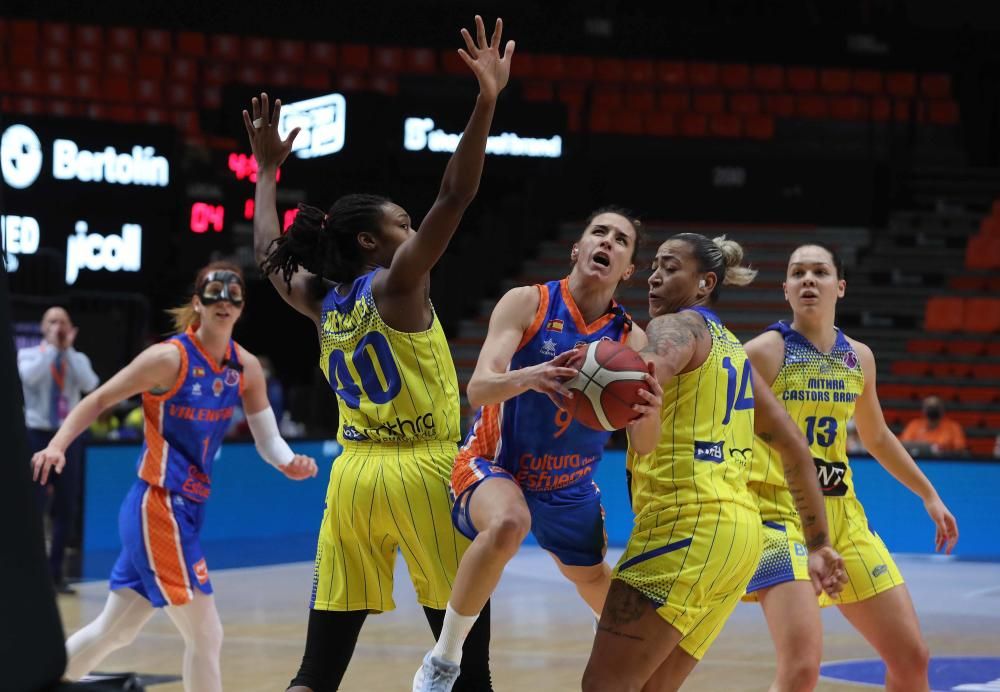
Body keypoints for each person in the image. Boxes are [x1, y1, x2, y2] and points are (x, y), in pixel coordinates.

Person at [244, 16, 513, 692]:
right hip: (424, 471)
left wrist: (267, 173)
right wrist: (486, 101)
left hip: (353, 476)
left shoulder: (320, 300)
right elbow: (456, 194)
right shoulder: (398, 286)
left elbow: (264, 254)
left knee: (318, 667)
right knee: (465, 668)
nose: (413, 227)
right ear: (370, 243)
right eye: (400, 222)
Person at [31, 262, 318, 689]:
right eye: (214, 293)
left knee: (118, 630)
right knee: (207, 633)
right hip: (158, 505)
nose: (224, 301)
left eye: (233, 294)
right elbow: (99, 399)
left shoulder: (246, 368)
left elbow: (267, 437)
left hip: (187, 508)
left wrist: (287, 461)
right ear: (197, 303)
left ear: (241, 307)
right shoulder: (169, 358)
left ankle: (36, 681)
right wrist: (58, 444)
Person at [581, 234, 845, 692]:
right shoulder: (733, 352)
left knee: (604, 686)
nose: (656, 276)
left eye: (670, 267)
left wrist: (588, 380)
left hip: (684, 525)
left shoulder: (676, 326)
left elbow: (640, 376)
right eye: (654, 267)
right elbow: (795, 447)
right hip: (738, 541)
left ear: (704, 283)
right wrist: (818, 543)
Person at [414, 207, 655, 690]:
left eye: (620, 240)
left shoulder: (631, 341)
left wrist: (649, 410)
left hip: (568, 488)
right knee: (510, 521)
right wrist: (532, 377)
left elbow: (644, 447)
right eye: (598, 233)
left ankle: (608, 642)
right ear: (578, 248)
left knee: (632, 629)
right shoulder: (529, 303)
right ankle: (443, 659)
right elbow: (479, 388)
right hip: (494, 465)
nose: (606, 242)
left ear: (628, 268)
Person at [732, 243, 959, 692]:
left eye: (819, 271)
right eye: (798, 273)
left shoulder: (860, 357)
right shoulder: (758, 354)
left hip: (844, 519)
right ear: (786, 289)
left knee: (913, 659)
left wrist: (928, 494)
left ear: (840, 286)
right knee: (800, 671)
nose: (808, 280)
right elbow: (724, 436)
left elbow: (876, 437)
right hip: (779, 520)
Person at [18, 306, 99, 593]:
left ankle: (56, 574)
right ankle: (32, 573)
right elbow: (31, 379)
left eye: (63, 321)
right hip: (37, 434)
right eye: (52, 321)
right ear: (43, 327)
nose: (58, 326)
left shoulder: (78, 359)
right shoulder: (29, 355)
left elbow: (90, 384)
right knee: (35, 506)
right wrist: (53, 350)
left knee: (65, 507)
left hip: (69, 436)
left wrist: (67, 351)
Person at [900, 395, 967, 456]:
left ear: (942, 409)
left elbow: (960, 450)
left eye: (935, 407)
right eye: (930, 407)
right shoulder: (914, 425)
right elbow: (904, 445)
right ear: (923, 410)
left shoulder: (953, 427)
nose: (932, 410)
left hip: (945, 464)